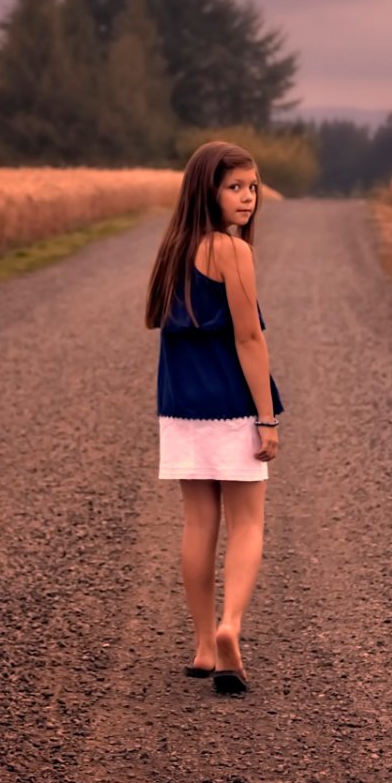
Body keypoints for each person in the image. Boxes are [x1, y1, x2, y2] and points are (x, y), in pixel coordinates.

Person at [144, 140, 284, 695]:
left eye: (252, 186)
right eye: (235, 187)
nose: (248, 197)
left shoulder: (174, 249)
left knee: (197, 524)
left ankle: (204, 647)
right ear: (209, 190)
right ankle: (231, 627)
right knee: (247, 522)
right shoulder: (232, 251)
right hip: (230, 405)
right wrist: (267, 419)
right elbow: (249, 337)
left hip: (180, 408)